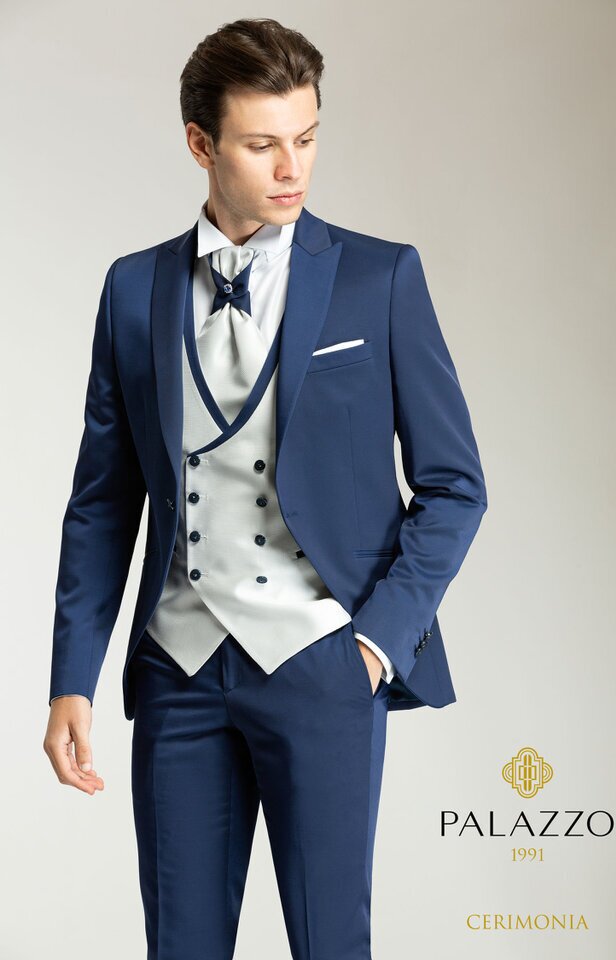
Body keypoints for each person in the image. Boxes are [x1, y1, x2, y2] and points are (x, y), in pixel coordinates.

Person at [43, 17, 487, 960]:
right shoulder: (132, 290)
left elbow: (454, 485)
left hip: (323, 664)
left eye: (307, 138)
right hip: (178, 670)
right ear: (200, 144)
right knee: (181, 946)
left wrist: (376, 644)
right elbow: (103, 503)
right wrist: (71, 679)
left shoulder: (379, 278)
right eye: (261, 145)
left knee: (331, 945)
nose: (293, 168)